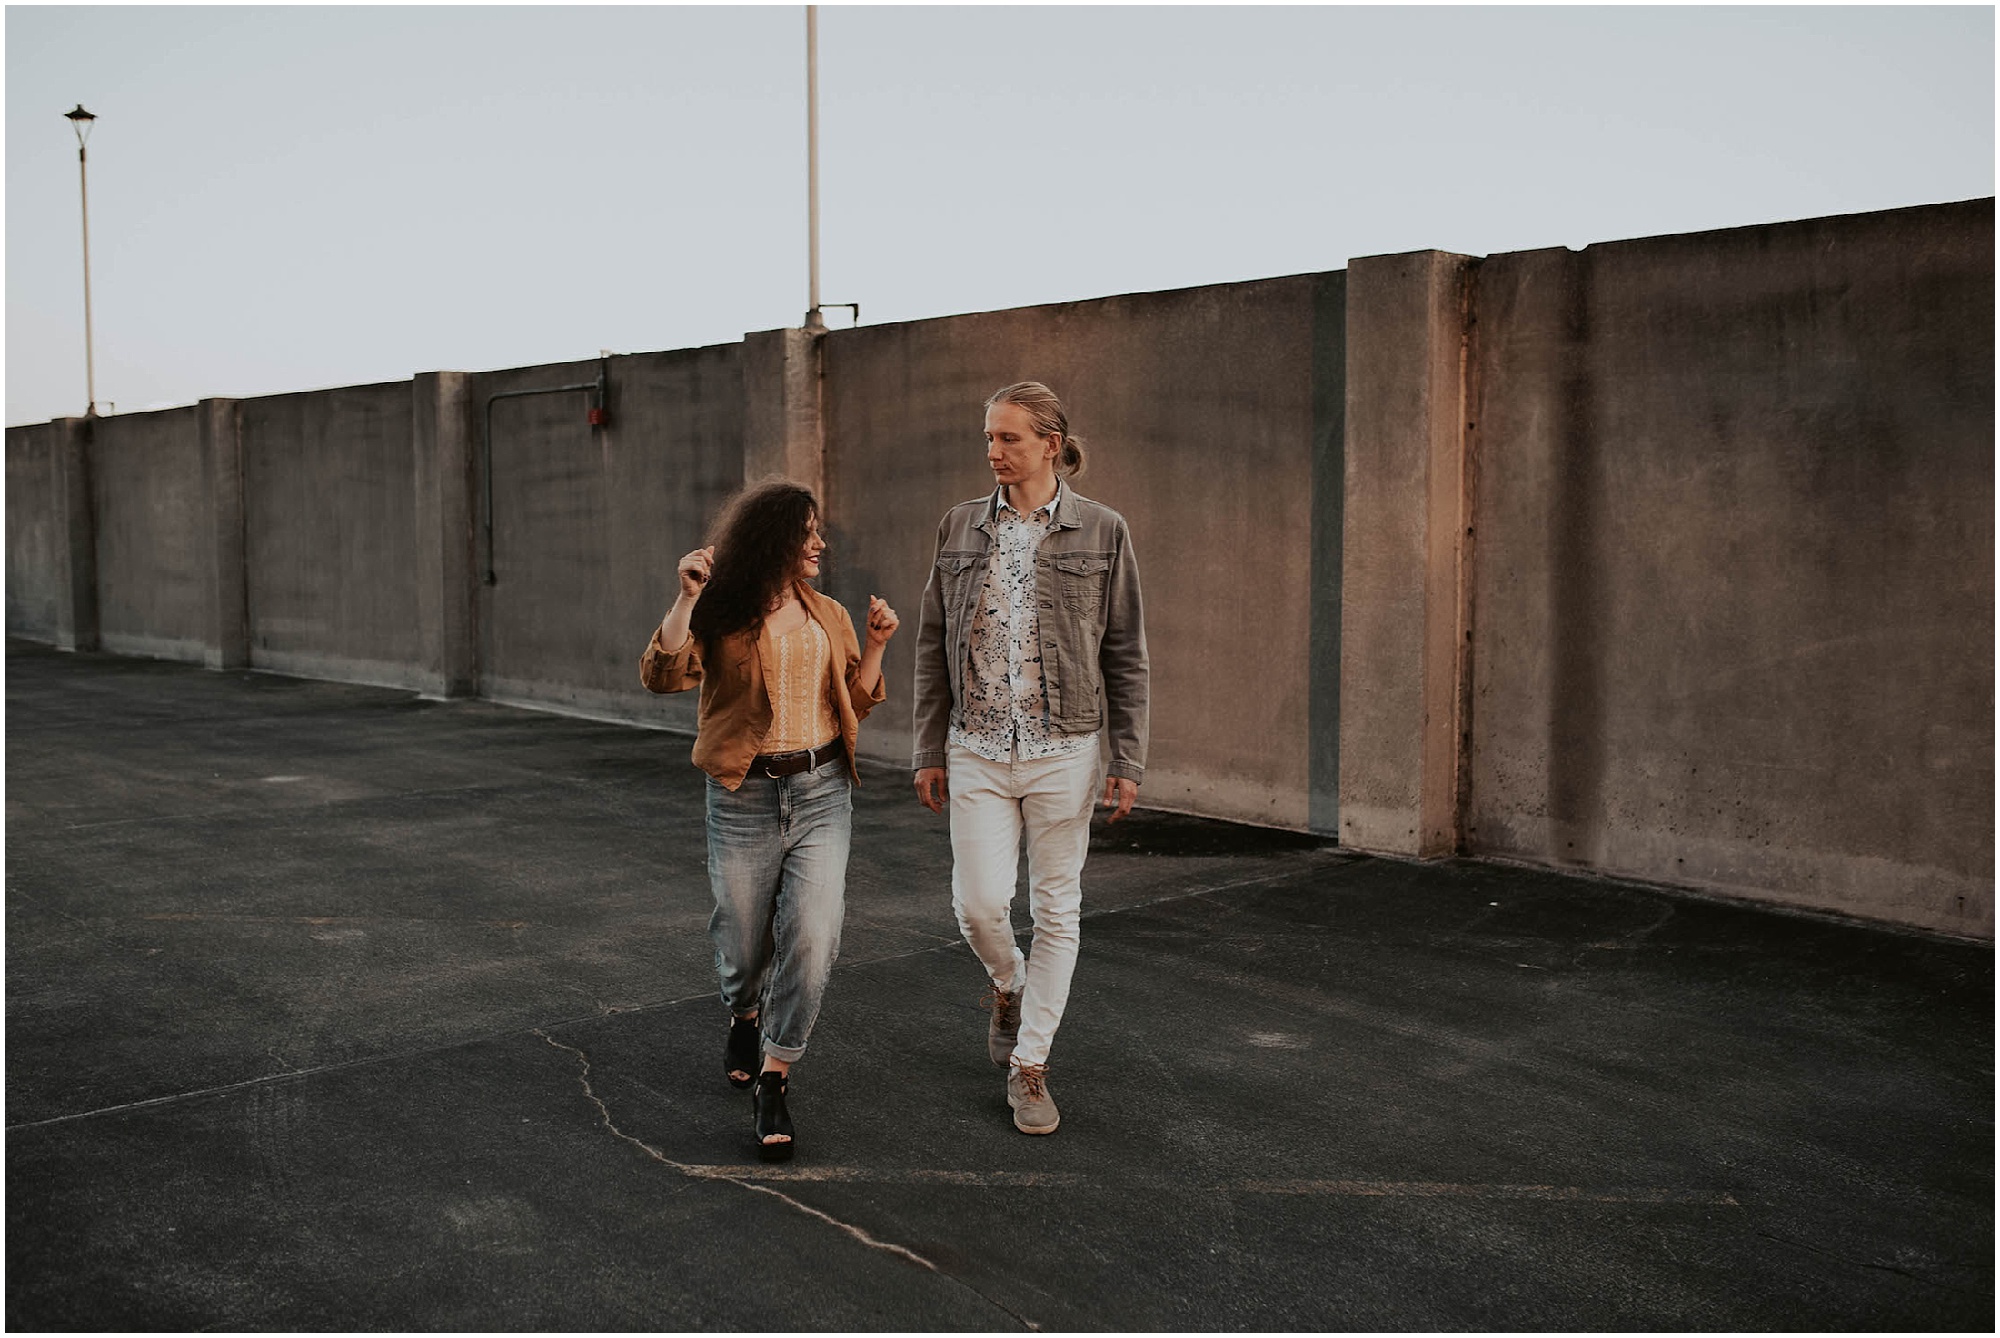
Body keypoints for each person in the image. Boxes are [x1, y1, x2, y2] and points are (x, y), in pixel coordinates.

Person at [912, 381, 1148, 1135]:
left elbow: (1127, 653)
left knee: (1057, 908)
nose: (994, 451)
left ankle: (1031, 1065)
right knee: (980, 905)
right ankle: (1008, 984)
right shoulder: (959, 527)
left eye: (1009, 438)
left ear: (1051, 444)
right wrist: (928, 745)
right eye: (988, 437)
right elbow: (928, 646)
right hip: (977, 747)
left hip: (1065, 751)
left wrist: (1128, 758)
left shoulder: (1103, 530)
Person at [642, 479, 899, 1161]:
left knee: (813, 936)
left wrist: (875, 645)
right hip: (742, 798)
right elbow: (663, 674)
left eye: (818, 532)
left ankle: (776, 1076)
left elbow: (854, 699)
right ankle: (744, 1012)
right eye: (807, 533)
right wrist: (688, 594)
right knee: (742, 941)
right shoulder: (723, 607)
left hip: (821, 792)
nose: (819, 544)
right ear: (774, 538)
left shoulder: (830, 614)